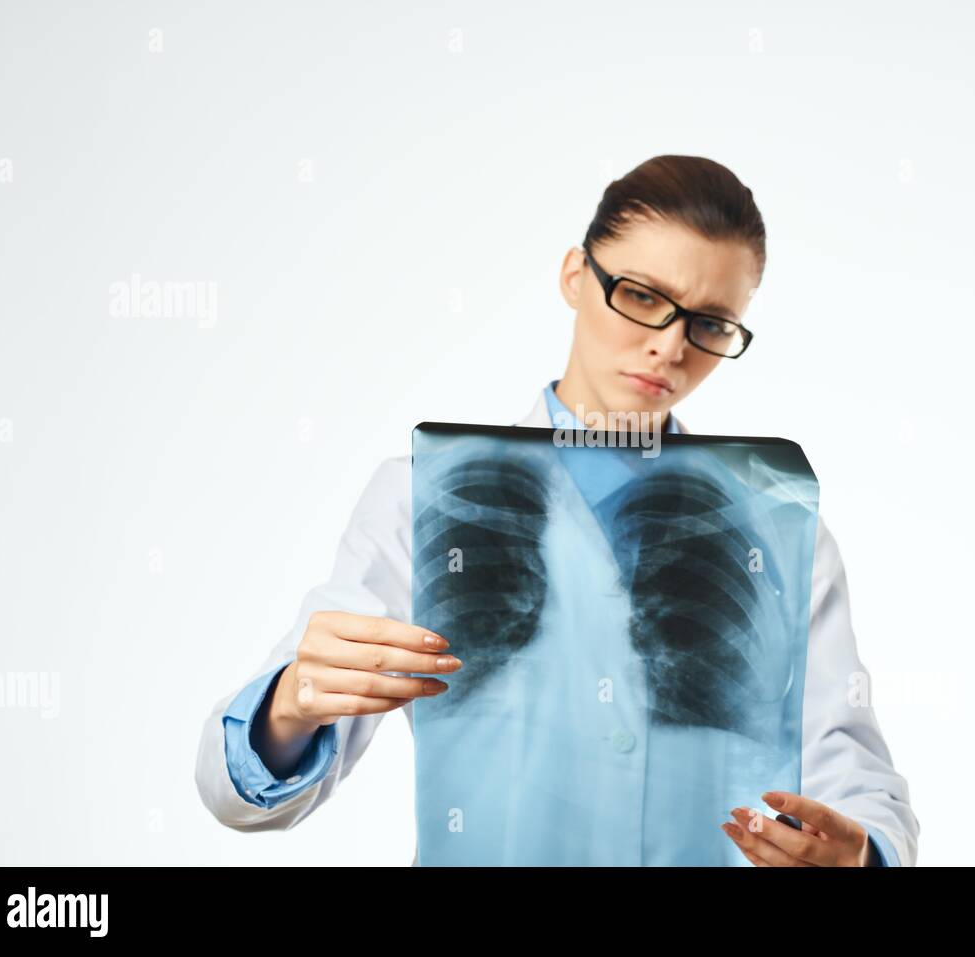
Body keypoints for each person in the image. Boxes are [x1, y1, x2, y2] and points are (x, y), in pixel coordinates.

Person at [194, 154, 920, 867]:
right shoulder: (423, 495)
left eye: (710, 324)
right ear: (576, 276)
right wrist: (292, 703)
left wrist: (859, 856)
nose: (669, 346)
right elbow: (243, 783)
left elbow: (849, 770)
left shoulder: (776, 525)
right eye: (641, 295)